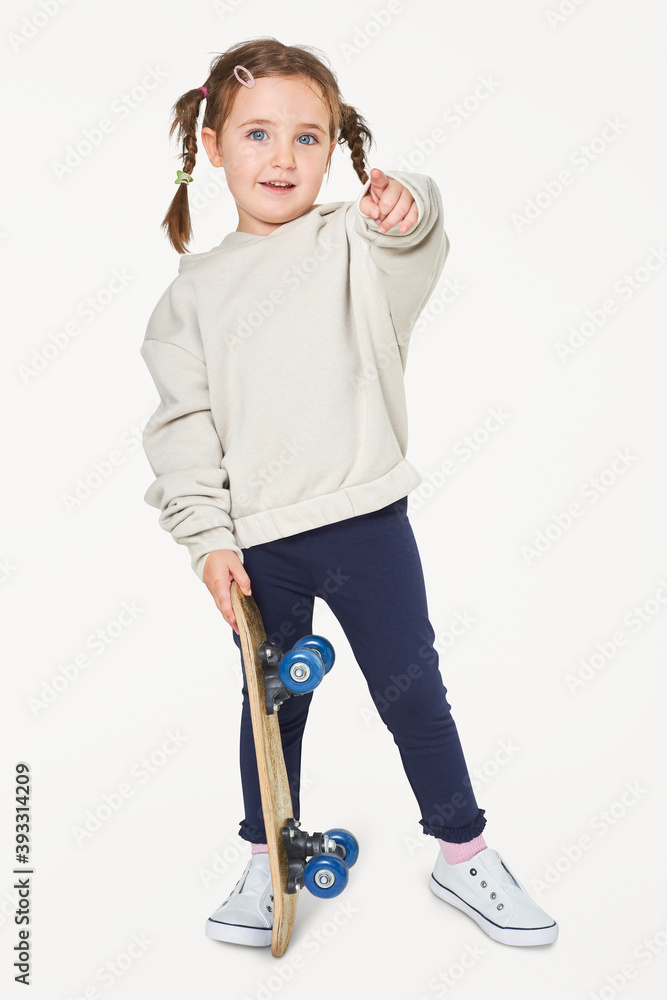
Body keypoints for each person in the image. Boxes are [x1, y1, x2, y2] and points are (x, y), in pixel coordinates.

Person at [139, 36, 558, 949]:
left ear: (337, 148)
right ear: (211, 146)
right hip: (260, 544)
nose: (282, 157)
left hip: (368, 521)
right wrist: (209, 542)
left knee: (414, 696)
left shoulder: (350, 244)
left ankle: (463, 854)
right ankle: (264, 862)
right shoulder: (190, 298)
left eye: (308, 137)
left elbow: (410, 236)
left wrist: (408, 203)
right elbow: (183, 435)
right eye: (256, 134)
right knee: (268, 709)